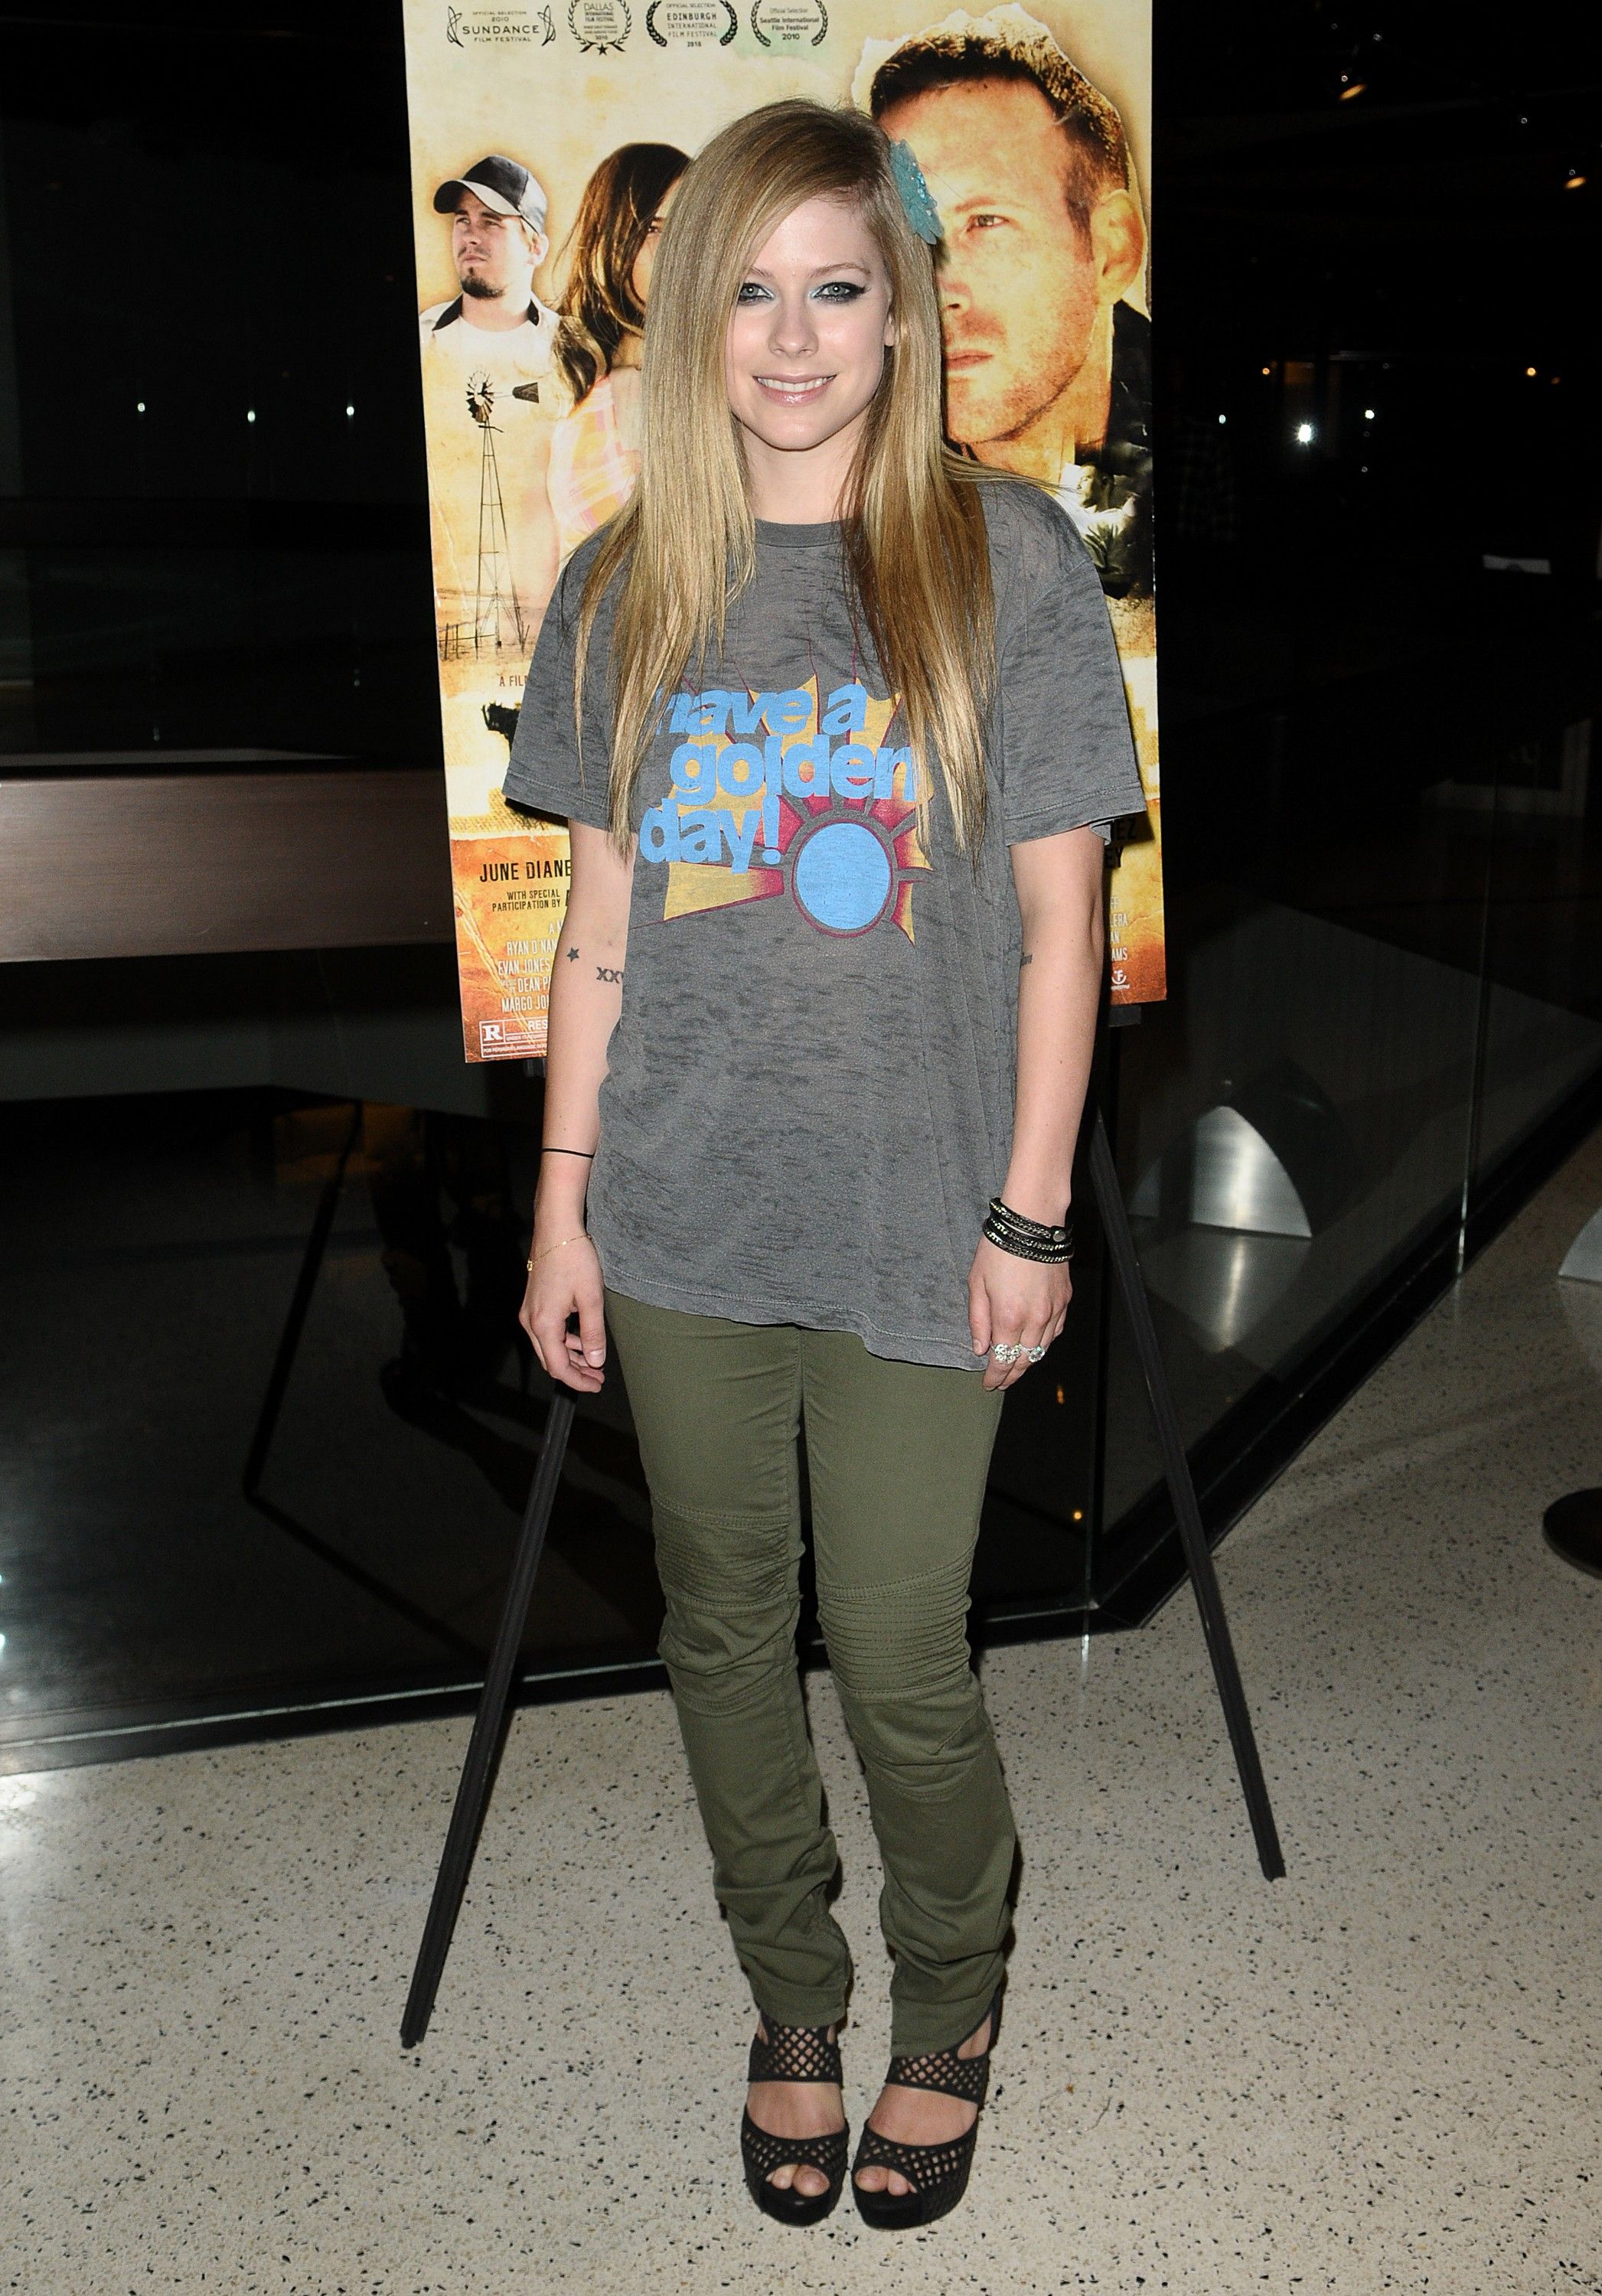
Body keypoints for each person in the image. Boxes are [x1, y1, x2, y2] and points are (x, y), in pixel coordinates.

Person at [505, 99, 1144, 2231]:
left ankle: (950, 1996)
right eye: (752, 293)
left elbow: (1061, 927)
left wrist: (1028, 1213)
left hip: (915, 1217)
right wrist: (561, 1209)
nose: (792, 339)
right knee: (716, 1629)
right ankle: (792, 1993)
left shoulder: (1008, 564)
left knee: (894, 1651)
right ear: (696, 316)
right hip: (680, 1215)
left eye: (837, 289)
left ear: (899, 314)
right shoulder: (625, 585)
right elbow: (600, 929)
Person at [866, 8, 1153, 595]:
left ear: (1111, 252)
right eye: (907, 234)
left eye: (985, 222)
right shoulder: (855, 467)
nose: (934, 292)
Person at [418, 155, 567, 654]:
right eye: (463, 220)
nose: (470, 235)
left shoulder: (574, 352)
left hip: (554, 618)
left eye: (491, 222)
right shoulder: (422, 344)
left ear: (535, 247)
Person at [547, 142, 689, 559]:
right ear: (614, 241)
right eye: (656, 230)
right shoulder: (629, 390)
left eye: (693, 228)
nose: (682, 251)